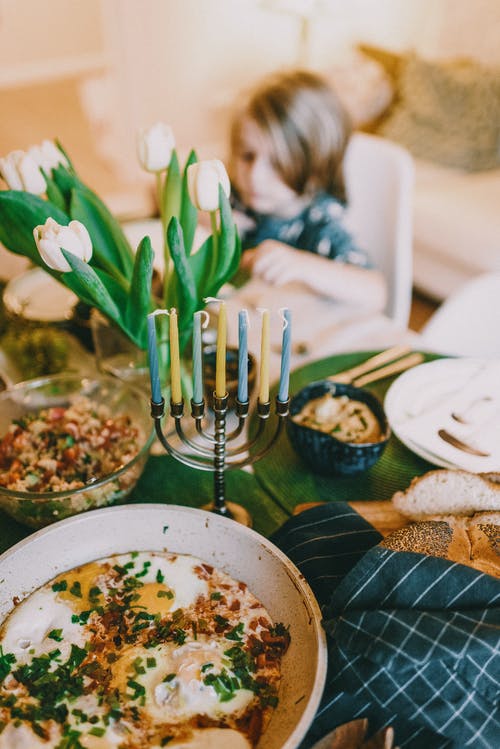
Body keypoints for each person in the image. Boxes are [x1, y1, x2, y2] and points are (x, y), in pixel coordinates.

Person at [228, 69, 386, 311]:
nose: (255, 177)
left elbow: (376, 293)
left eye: (278, 164)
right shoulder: (238, 197)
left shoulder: (319, 223)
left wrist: (301, 265)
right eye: (248, 156)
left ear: (315, 170)